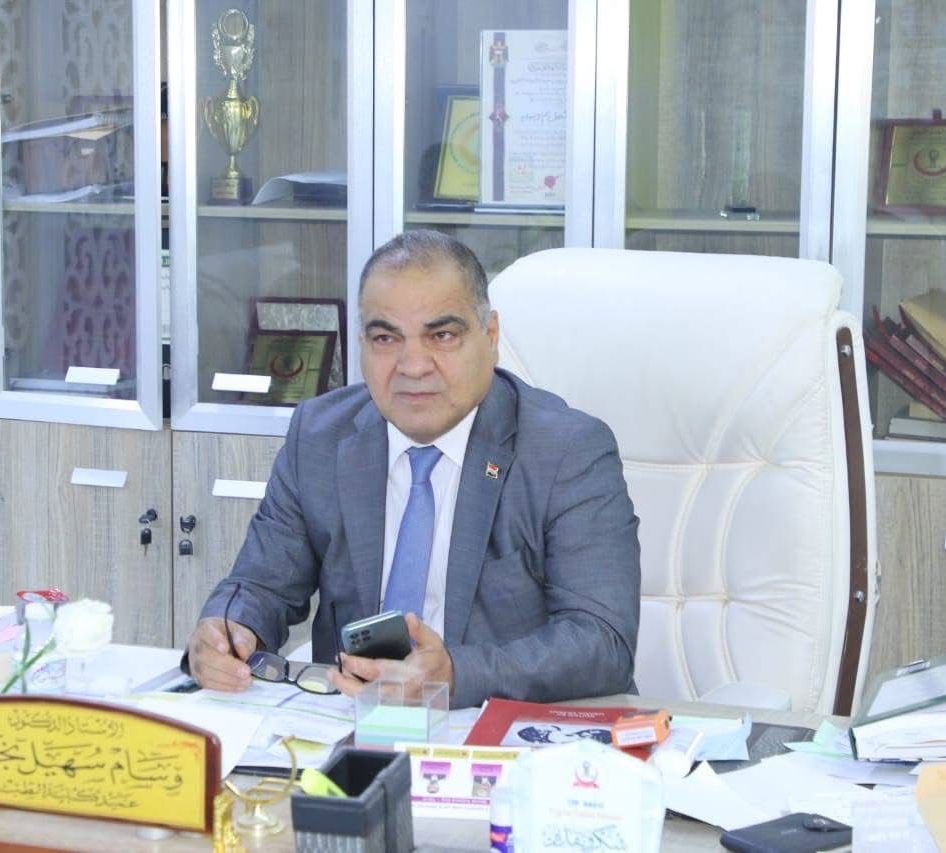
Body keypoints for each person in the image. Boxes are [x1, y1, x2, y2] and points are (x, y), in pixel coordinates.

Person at [185, 230, 640, 708]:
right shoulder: (320, 436)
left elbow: (602, 642)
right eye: (386, 338)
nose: (413, 365)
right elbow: (260, 584)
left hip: (502, 728)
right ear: (362, 344)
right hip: (350, 722)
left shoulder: (567, 451)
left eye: (441, 336)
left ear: (490, 337)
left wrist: (455, 675)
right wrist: (228, 630)